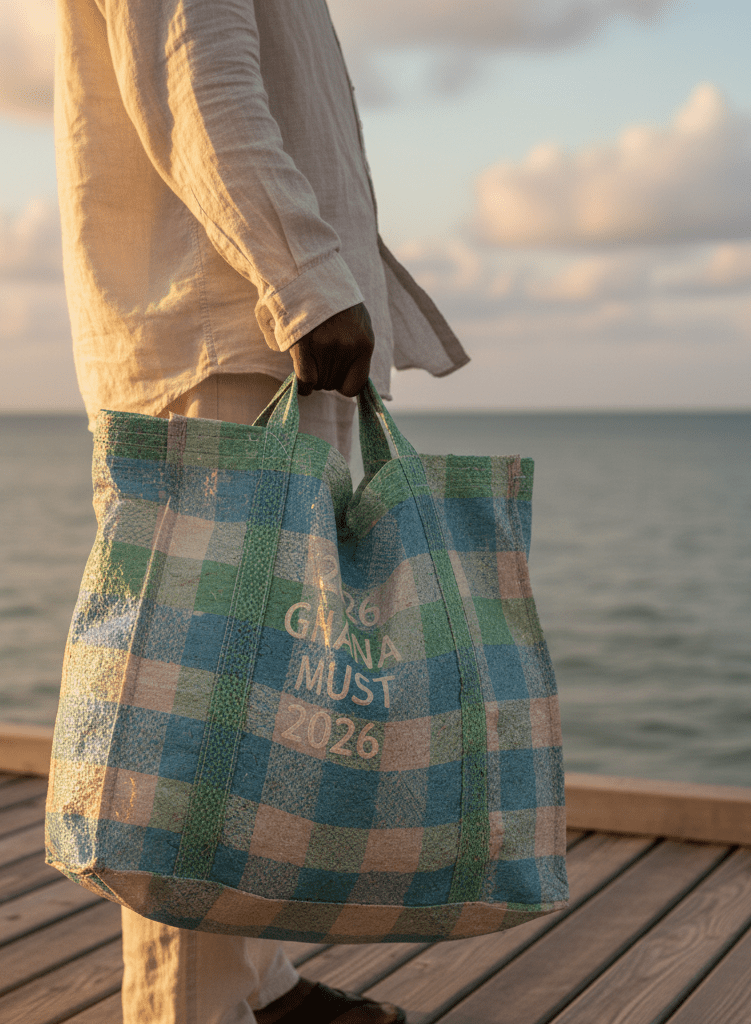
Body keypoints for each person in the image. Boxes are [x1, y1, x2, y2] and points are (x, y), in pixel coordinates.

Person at [54, 1, 468, 1021]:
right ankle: (187, 1009)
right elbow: (198, 82)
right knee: (190, 734)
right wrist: (309, 284)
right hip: (228, 341)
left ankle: (258, 984)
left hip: (243, 338)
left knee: (259, 710)